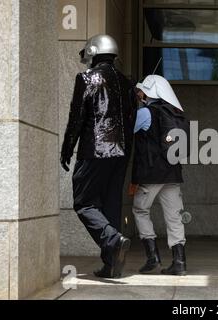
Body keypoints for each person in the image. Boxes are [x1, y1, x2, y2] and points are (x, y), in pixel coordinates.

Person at [60, 35, 137, 279]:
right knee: (111, 206)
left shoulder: (87, 78)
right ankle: (111, 266)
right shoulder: (127, 83)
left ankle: (112, 239)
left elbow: (77, 117)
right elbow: (131, 119)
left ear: (94, 51)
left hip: (95, 149)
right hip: (122, 153)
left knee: (83, 202)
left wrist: (66, 148)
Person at [130, 75, 188, 276]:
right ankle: (179, 262)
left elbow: (127, 130)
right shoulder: (175, 114)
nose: (139, 95)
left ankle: (152, 257)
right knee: (174, 216)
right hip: (172, 173)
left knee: (140, 210)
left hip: (152, 173)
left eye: (141, 92)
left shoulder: (146, 112)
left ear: (148, 93)